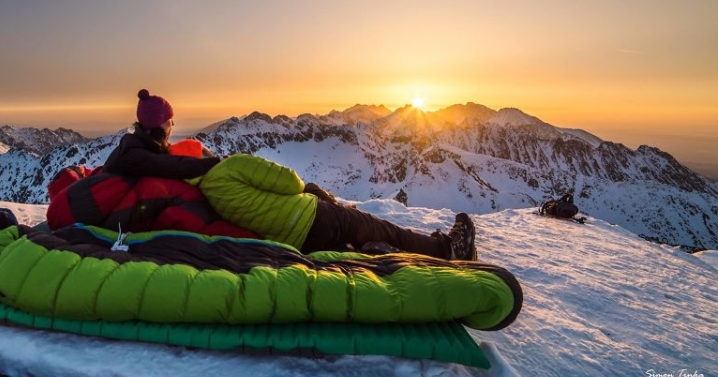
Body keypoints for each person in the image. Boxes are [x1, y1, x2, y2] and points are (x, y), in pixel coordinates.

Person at [102, 89, 476, 261]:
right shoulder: (226, 167)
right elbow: (290, 183)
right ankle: (445, 249)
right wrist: (309, 189)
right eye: (171, 123)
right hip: (310, 216)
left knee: (351, 244)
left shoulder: (196, 187)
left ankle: (372, 256)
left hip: (288, 239)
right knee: (376, 226)